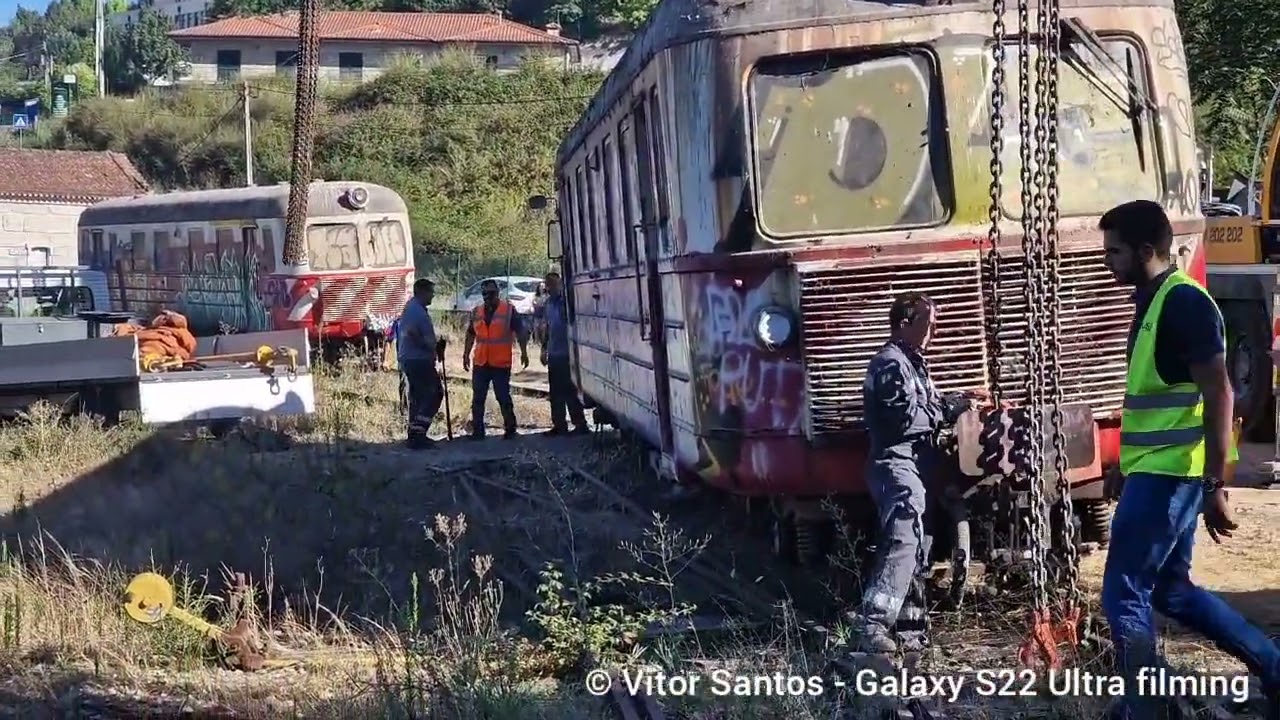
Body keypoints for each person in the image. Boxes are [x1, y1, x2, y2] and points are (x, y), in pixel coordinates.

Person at [1099, 199, 1277, 720]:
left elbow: (1219, 393)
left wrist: (1215, 484)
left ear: (1146, 251)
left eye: (1114, 253)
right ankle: (1273, 668)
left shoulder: (1184, 304)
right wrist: (1122, 468)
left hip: (1171, 477)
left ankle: (1146, 707)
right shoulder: (1153, 301)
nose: (1106, 263)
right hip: (1153, 472)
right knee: (1171, 591)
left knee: (1123, 592)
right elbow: (1155, 400)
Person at [849, 293, 981, 655]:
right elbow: (904, 421)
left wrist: (960, 401)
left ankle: (910, 633)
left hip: (916, 462)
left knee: (919, 544)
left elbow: (928, 406)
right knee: (904, 533)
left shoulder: (912, 364)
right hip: (896, 461)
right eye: (927, 322)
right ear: (904, 323)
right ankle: (873, 623)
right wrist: (948, 411)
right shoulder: (890, 365)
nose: (934, 330)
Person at [463, 278, 528, 440]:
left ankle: (510, 429)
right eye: (484, 293)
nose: (487, 297)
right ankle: (478, 431)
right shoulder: (476, 311)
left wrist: (524, 352)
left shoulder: (508, 310)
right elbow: (470, 333)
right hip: (481, 361)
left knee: (503, 396)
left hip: (500, 362)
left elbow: (520, 332)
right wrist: (465, 354)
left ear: (498, 293)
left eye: (491, 293)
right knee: (478, 398)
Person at [538, 271, 589, 436]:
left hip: (568, 354)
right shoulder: (548, 304)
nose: (550, 287)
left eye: (553, 283)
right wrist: (544, 349)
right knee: (555, 392)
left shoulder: (565, 304)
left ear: (560, 284)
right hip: (554, 353)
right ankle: (559, 425)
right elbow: (546, 328)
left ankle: (580, 424)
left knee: (570, 390)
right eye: (548, 284)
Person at [398, 278, 447, 448]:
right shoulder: (416, 311)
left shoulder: (412, 308)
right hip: (418, 358)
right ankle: (419, 432)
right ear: (422, 291)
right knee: (434, 393)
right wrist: (432, 346)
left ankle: (414, 433)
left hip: (411, 357)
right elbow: (413, 333)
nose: (432, 295)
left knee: (418, 397)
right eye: (430, 292)